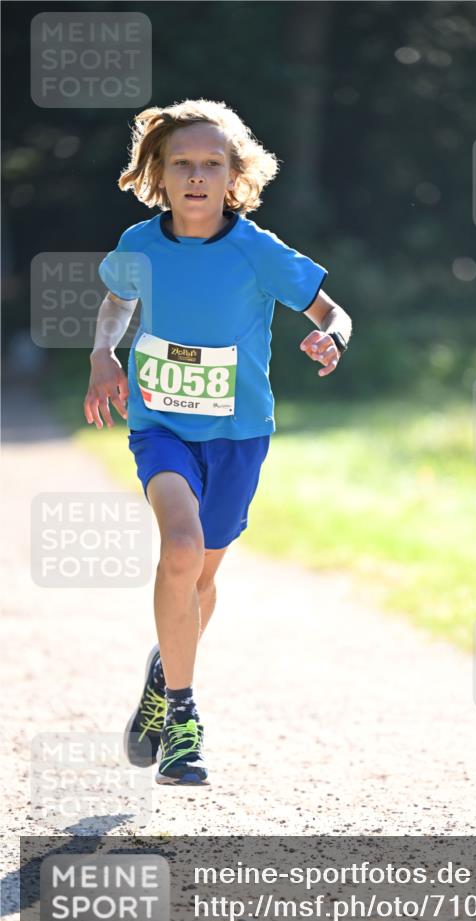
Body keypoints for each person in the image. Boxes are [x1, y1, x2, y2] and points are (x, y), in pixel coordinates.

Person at [84, 98, 352, 786]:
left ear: (234, 176)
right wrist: (102, 357)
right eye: (182, 164)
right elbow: (117, 299)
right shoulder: (139, 245)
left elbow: (330, 308)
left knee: (200, 578)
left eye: (211, 164)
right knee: (177, 547)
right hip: (162, 425)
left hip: (238, 435)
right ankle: (181, 719)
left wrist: (331, 337)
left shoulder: (256, 250)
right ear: (158, 173)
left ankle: (160, 673)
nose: (196, 176)